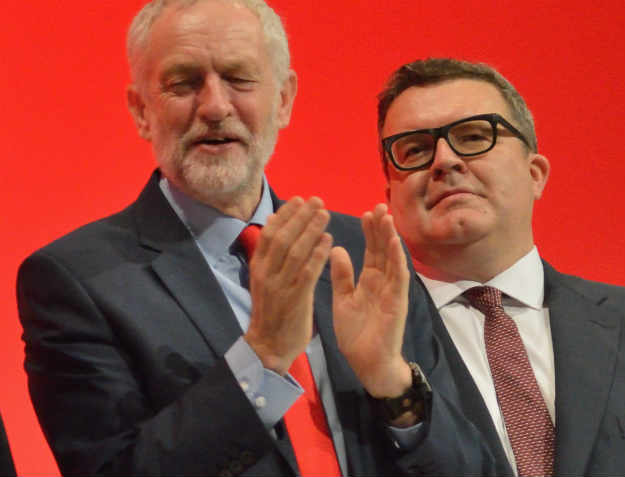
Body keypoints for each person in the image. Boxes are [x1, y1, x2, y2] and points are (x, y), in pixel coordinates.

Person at [15, 4, 497, 475]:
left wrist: (392, 384)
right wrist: (262, 355)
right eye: (184, 82)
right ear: (142, 111)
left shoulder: (363, 253)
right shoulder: (76, 281)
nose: (215, 106)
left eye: (238, 78)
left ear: (284, 100)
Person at [376, 57, 625, 476]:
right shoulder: (361, 351)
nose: (444, 161)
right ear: (391, 194)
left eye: (474, 136)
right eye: (416, 149)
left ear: (535, 173)